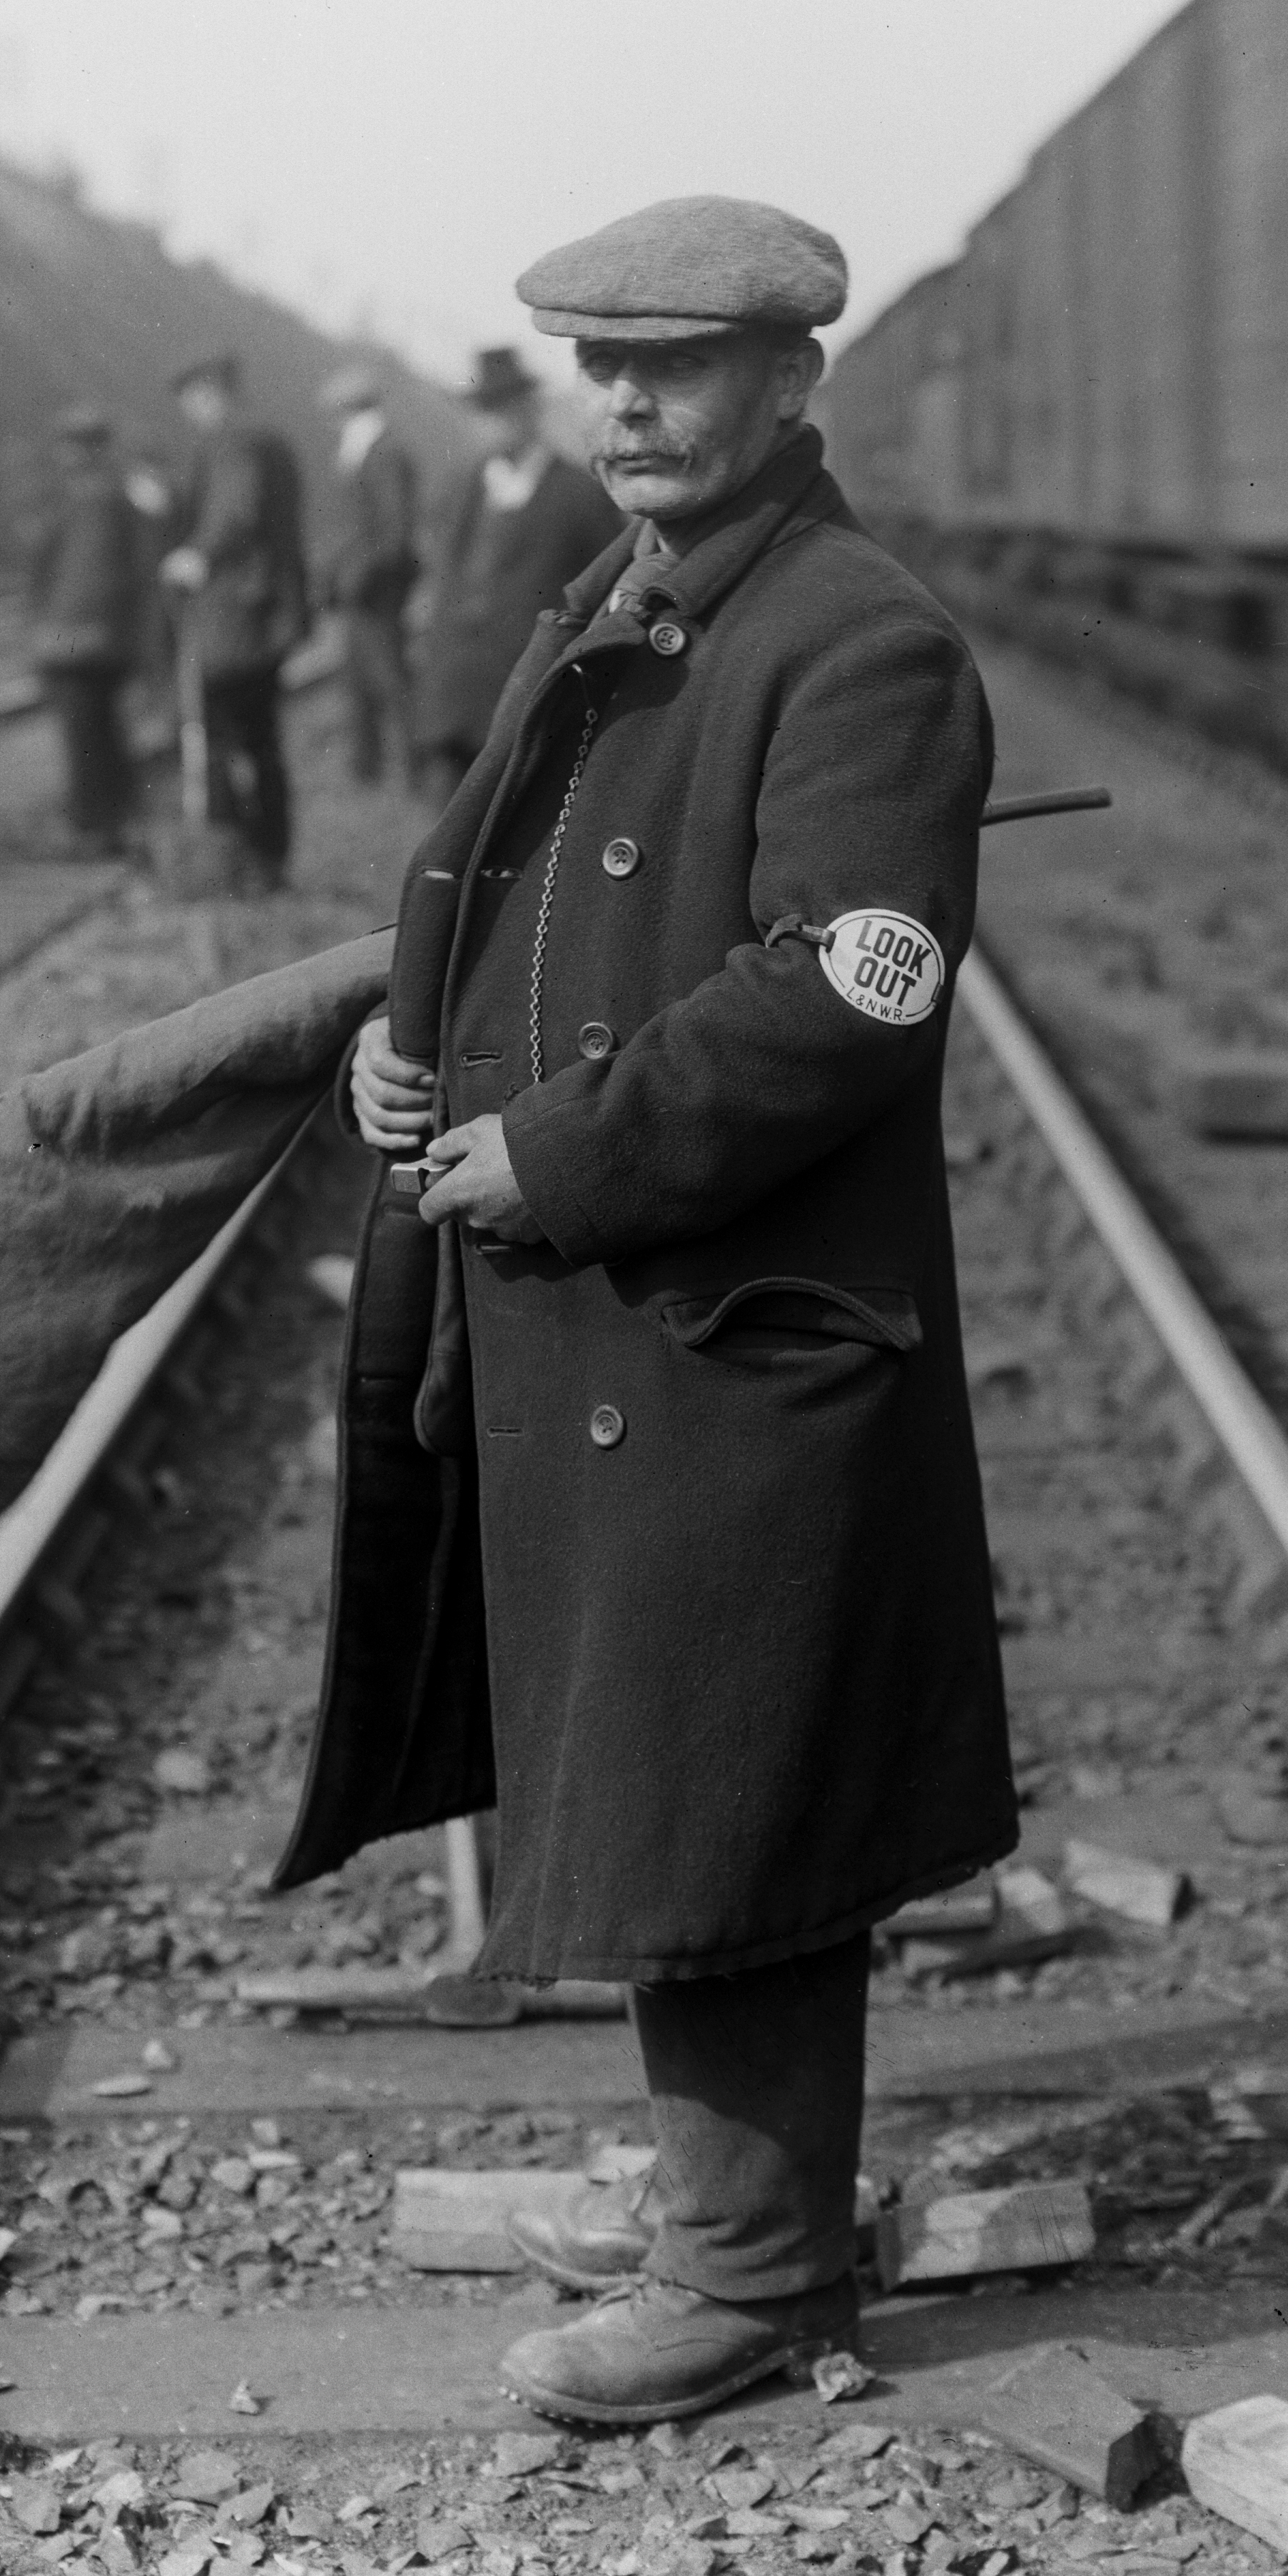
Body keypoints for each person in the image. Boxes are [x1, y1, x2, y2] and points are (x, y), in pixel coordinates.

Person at [318, 196, 1015, 2425]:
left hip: (730, 1311)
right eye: (600, 362)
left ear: (793, 382)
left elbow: (848, 986)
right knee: (652, 1755)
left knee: (733, 1791)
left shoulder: (853, 639)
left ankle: (753, 2270)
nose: (628, 400)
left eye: (680, 364)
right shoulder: (628, 600)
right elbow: (521, 894)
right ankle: (724, 2202)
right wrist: (409, 1044)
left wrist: (576, 1150)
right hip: (626, 1311)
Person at [412, 346, 615, 796]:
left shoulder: (578, 494)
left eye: (496, 411)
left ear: (528, 410)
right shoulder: (461, 489)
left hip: (530, 707)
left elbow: (609, 599)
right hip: (456, 701)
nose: (484, 424)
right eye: (479, 412)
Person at [158, 352, 309, 886]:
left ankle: (229, 861)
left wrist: (197, 554)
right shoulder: (267, 442)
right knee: (257, 738)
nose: (193, 412)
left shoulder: (234, 443)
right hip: (260, 619)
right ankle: (267, 858)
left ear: (215, 393)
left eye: (197, 399)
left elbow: (235, 513)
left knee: (223, 735)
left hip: (236, 620)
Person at [29, 406, 148, 849]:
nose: (69, 455)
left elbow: (81, 578)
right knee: (100, 733)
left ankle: (94, 830)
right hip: (97, 638)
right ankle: (109, 825)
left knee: (85, 735)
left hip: (80, 639)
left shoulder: (89, 500)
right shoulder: (114, 497)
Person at [318, 360, 420, 788]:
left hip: (377, 589)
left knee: (388, 679)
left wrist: (358, 575)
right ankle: (369, 770)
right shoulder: (369, 450)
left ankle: (413, 767)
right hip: (364, 587)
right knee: (361, 678)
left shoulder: (381, 452)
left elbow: (394, 533)